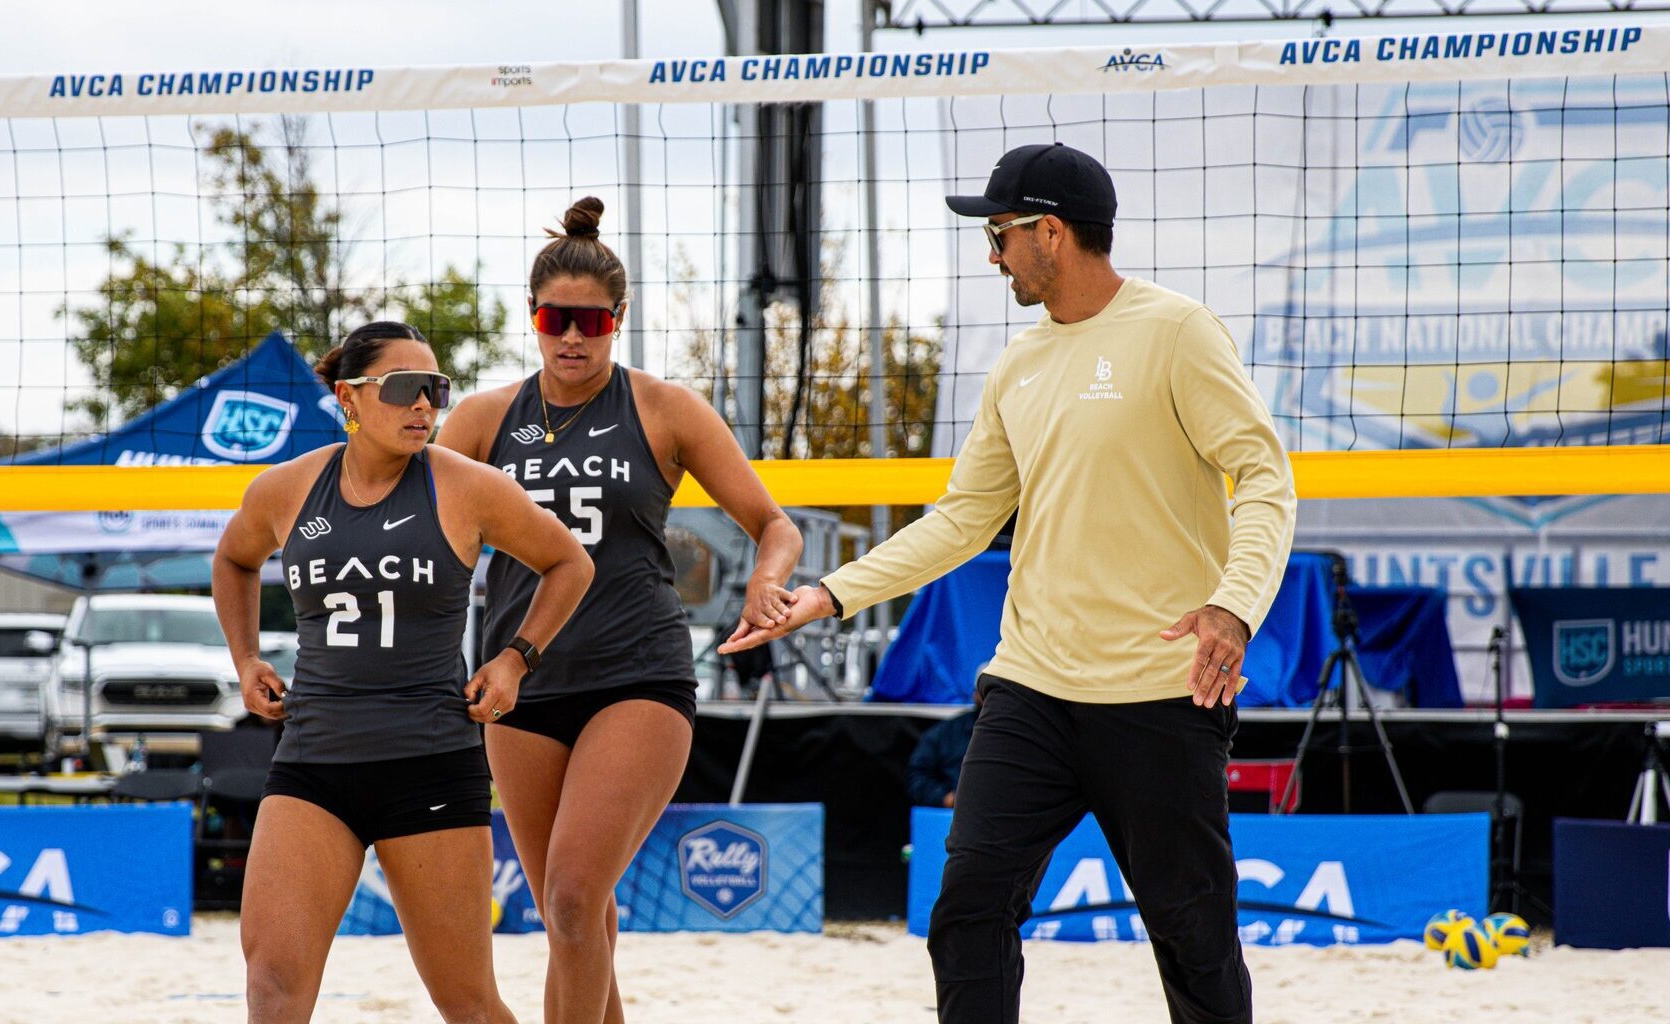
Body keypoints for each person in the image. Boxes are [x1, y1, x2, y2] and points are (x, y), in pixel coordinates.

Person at [721, 142, 1296, 1024]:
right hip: (1032, 688)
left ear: (1052, 234)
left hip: (1159, 695)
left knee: (1194, 940)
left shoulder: (1177, 332)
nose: (991, 254)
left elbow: (1264, 478)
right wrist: (829, 595)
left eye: (999, 233)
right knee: (966, 914)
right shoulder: (1017, 366)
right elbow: (960, 520)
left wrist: (1233, 606)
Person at [435, 196, 803, 1024]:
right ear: (530, 317)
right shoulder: (486, 418)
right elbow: (414, 521)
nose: (572, 336)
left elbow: (773, 524)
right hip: (519, 681)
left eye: (591, 322)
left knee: (571, 897)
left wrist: (765, 578)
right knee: (577, 916)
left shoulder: (663, 409)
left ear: (620, 319)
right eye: (555, 318)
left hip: (637, 676)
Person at [214, 321, 594, 1024]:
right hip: (313, 762)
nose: (425, 405)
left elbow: (571, 562)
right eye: (404, 389)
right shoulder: (287, 489)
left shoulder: (467, 487)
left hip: (428, 764)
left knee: (467, 1004)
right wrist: (245, 660)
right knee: (271, 987)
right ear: (349, 398)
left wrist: (516, 657)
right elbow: (234, 559)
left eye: (436, 389)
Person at [906, 690, 980, 808]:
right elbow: (917, 776)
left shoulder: (1016, 734)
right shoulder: (945, 733)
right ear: (976, 694)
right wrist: (946, 798)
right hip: (955, 816)